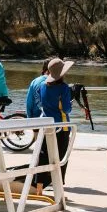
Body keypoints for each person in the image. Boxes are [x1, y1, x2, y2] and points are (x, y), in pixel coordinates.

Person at [36, 57, 74, 187]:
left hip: (45, 124)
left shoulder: (41, 86)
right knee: (62, 156)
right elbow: (67, 109)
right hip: (61, 126)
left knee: (43, 156)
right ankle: (59, 184)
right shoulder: (64, 88)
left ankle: (39, 187)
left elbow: (40, 102)